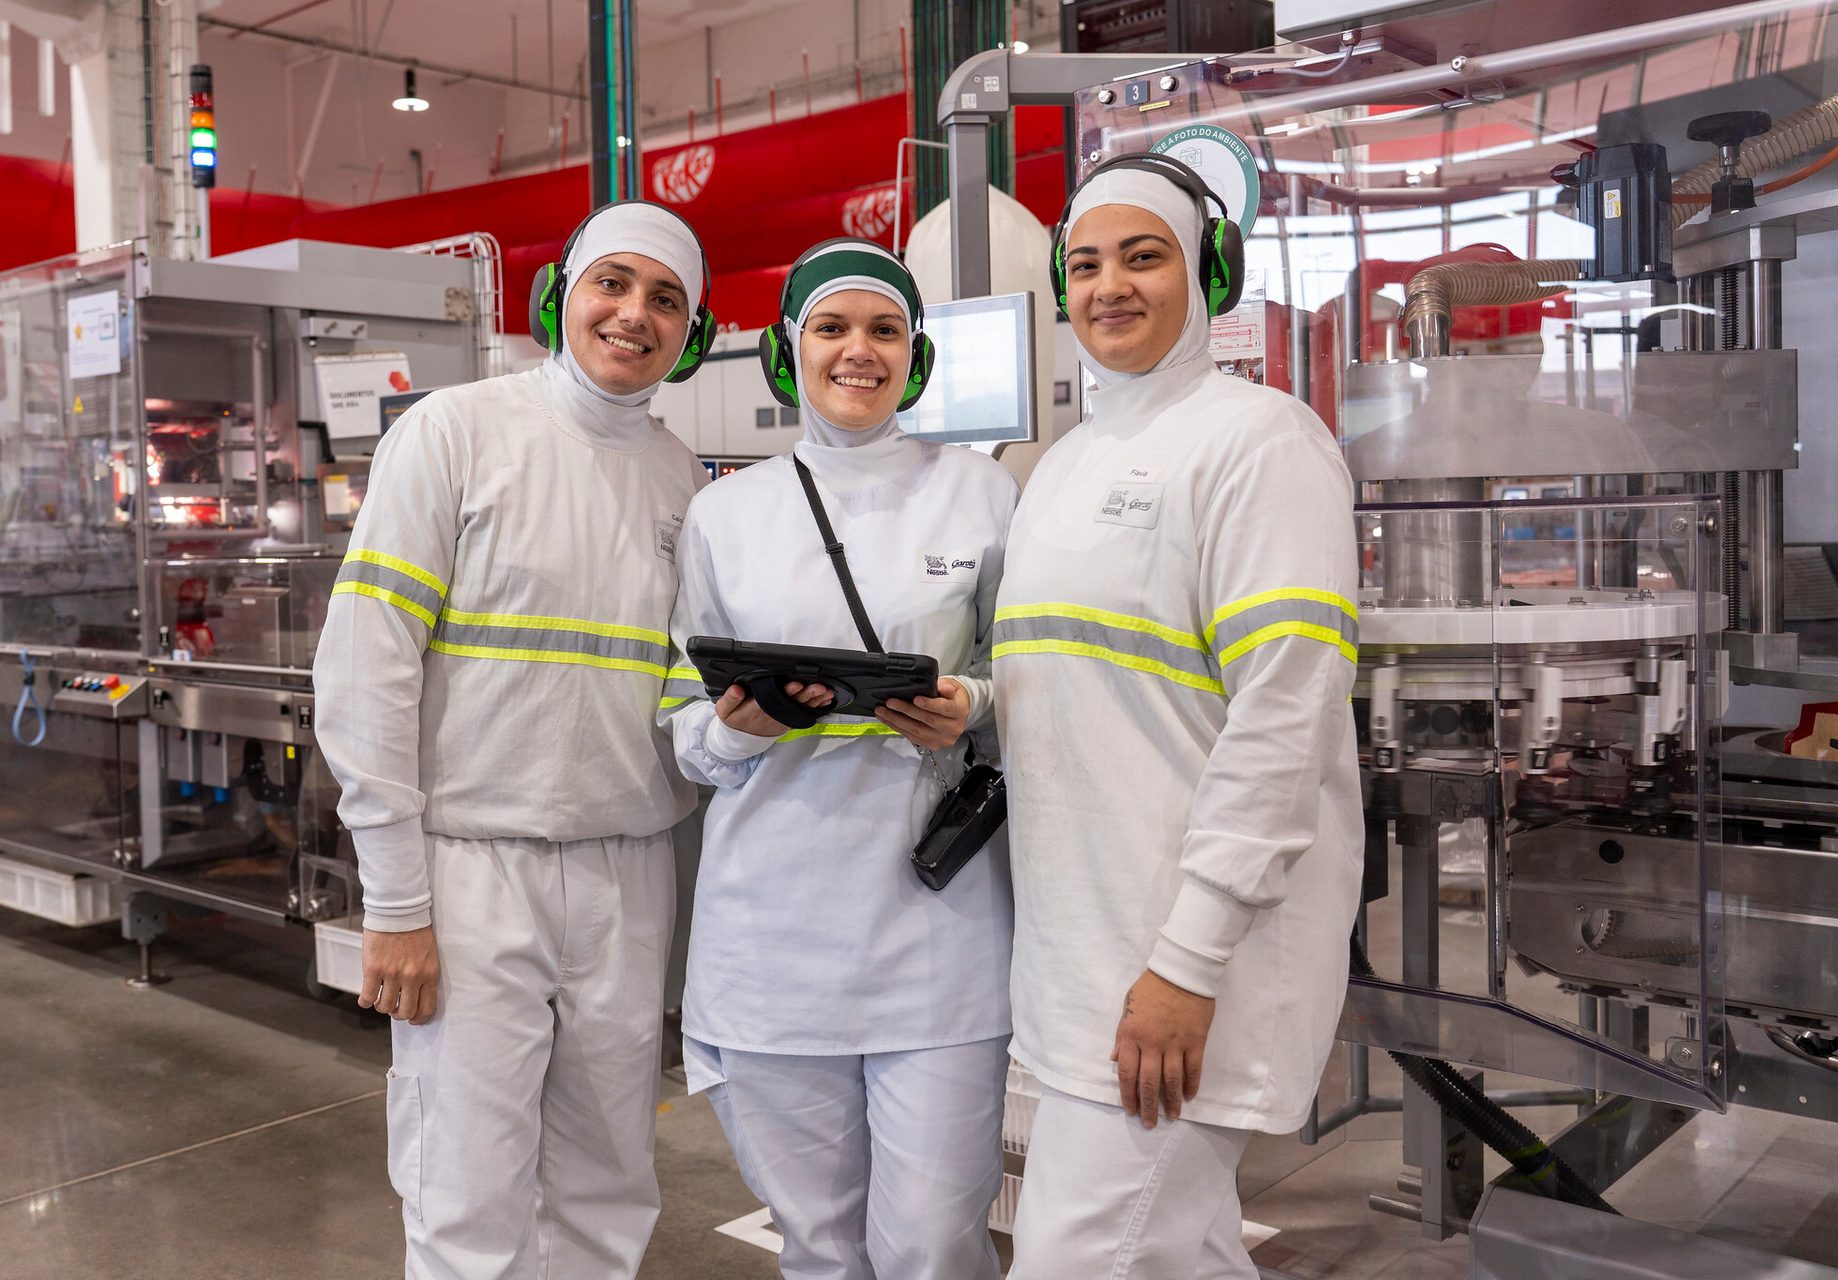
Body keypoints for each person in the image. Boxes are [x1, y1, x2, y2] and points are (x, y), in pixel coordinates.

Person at [312, 201, 715, 1279]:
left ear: (694, 331)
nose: (634, 315)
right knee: (467, 1191)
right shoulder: (453, 432)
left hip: (630, 871)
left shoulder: (684, 479)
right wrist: (396, 902)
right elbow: (365, 670)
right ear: (562, 295)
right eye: (613, 284)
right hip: (472, 869)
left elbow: (686, 691)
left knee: (607, 1183)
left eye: (666, 298)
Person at [994, 155, 1364, 1277]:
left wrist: (1188, 962)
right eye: (1087, 264)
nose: (1110, 285)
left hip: (1181, 963)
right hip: (1079, 952)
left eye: (1142, 257)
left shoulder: (1263, 440)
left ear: (1206, 274)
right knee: (1177, 1251)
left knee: (1080, 1255)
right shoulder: (1066, 465)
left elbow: (1282, 719)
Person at [660, 237, 1018, 1280]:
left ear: (917, 356)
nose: (858, 351)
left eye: (884, 329)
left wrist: (973, 704)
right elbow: (677, 718)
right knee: (818, 1242)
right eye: (831, 326)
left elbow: (1032, 671)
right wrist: (740, 725)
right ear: (787, 352)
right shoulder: (726, 515)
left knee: (932, 1242)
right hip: (773, 933)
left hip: (940, 928)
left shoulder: (981, 493)